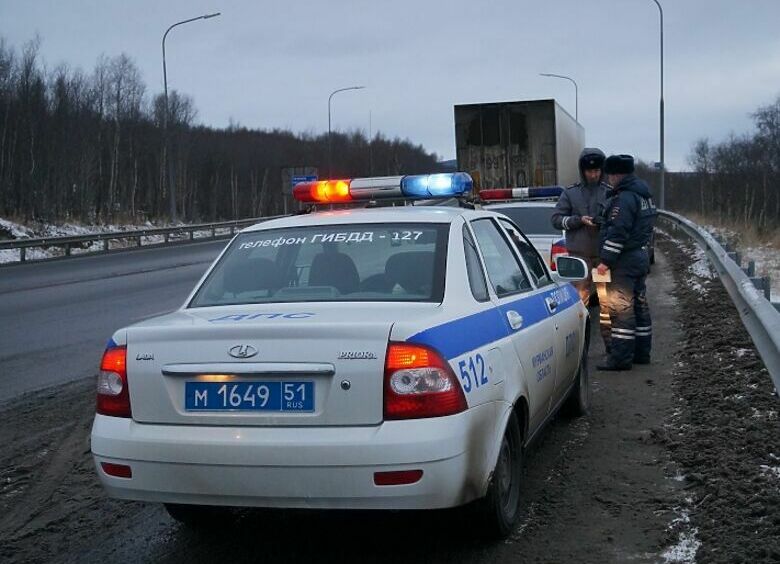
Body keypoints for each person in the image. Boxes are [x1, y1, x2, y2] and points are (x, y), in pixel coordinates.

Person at [595, 154, 657, 371]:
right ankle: (641, 353)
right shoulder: (644, 195)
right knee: (640, 306)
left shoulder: (624, 198)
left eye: (610, 175)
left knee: (620, 308)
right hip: (640, 257)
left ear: (616, 174)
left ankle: (620, 359)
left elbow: (618, 232)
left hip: (624, 261)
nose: (609, 179)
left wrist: (605, 262)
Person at [551, 147, 611, 346]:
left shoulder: (609, 193)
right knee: (579, 303)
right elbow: (556, 219)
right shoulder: (571, 193)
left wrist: (603, 221)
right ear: (582, 171)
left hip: (602, 259)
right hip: (579, 259)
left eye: (596, 171)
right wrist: (578, 220)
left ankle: (610, 344)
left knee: (606, 302)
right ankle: (578, 344)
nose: (593, 175)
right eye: (589, 171)